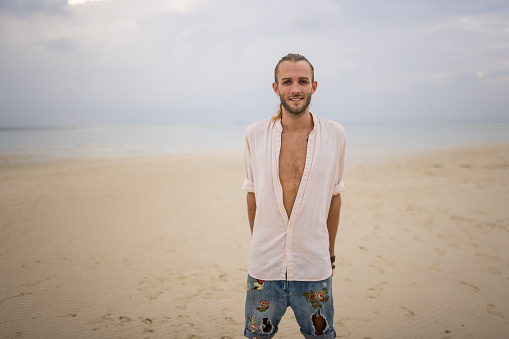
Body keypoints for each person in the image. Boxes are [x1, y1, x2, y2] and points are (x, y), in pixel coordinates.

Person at [242, 53, 346, 339]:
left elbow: (335, 196)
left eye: (302, 81)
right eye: (287, 82)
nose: (295, 89)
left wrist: (330, 254)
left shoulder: (335, 134)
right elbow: (251, 192)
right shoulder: (255, 134)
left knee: (322, 336)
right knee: (256, 336)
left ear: (314, 86)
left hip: (314, 266)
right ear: (276, 88)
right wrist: (260, 243)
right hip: (264, 268)